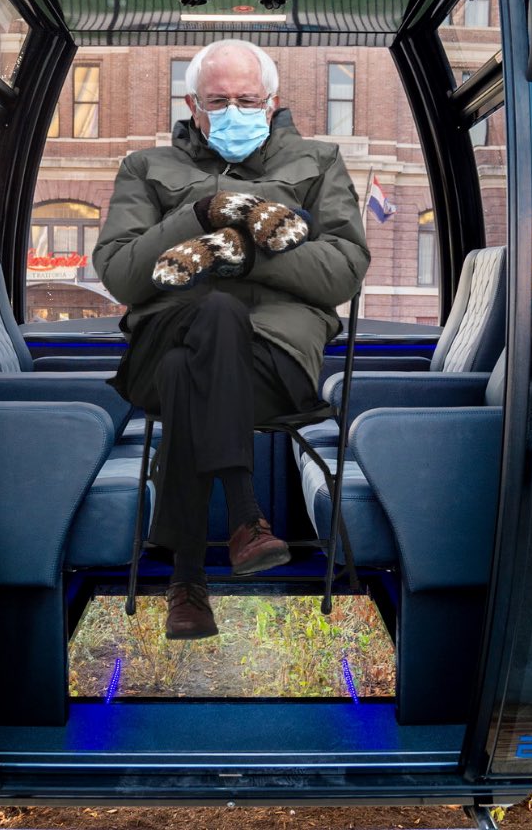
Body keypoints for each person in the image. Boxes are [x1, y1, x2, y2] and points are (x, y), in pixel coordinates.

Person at [92, 40, 370, 639]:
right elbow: (120, 273)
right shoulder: (145, 168)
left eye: (248, 99)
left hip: (272, 361)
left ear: (271, 103)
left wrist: (241, 259)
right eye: (219, 101)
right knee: (207, 322)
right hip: (163, 337)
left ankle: (186, 583)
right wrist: (201, 214)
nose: (235, 110)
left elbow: (343, 270)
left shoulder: (319, 162)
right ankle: (246, 516)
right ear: (193, 104)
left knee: (189, 366)